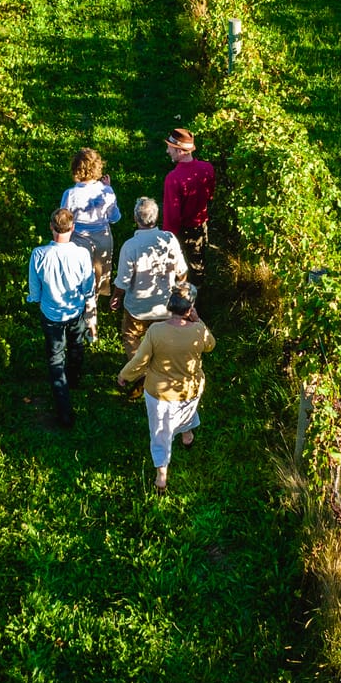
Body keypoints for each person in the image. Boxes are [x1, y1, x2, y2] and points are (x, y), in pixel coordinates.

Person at [116, 281, 214, 494]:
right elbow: (211, 344)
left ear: (170, 305)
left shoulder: (156, 331)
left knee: (160, 432)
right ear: (190, 308)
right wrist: (199, 321)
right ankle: (187, 437)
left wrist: (125, 375)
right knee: (186, 412)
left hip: (159, 393)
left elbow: (140, 360)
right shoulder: (198, 330)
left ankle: (161, 477)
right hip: (190, 389)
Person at [27, 206, 94, 427]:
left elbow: (35, 291)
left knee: (56, 359)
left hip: (51, 313)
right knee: (76, 345)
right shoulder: (82, 254)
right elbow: (88, 286)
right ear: (72, 228)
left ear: (51, 227)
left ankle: (64, 412)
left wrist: (37, 299)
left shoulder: (38, 254)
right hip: (75, 310)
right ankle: (74, 377)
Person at [110, 196, 188, 360]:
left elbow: (123, 281)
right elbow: (182, 271)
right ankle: (160, 366)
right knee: (163, 342)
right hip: (165, 306)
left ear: (135, 218)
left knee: (131, 337)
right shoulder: (169, 239)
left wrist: (116, 297)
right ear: (157, 217)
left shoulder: (130, 246)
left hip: (137, 309)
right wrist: (181, 294)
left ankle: (138, 370)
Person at [60, 148, 120, 337]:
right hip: (103, 238)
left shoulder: (70, 194)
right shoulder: (106, 191)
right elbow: (115, 217)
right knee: (98, 276)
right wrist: (109, 189)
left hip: (80, 240)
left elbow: (64, 219)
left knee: (82, 278)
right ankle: (92, 314)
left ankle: (87, 318)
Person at [162, 128, 216, 273]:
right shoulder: (208, 168)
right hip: (201, 225)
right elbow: (210, 194)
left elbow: (171, 216)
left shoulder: (173, 179)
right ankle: (197, 289)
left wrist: (167, 239)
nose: (168, 151)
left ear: (179, 151)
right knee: (197, 262)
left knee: (175, 265)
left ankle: (180, 290)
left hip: (183, 230)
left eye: (170, 148)